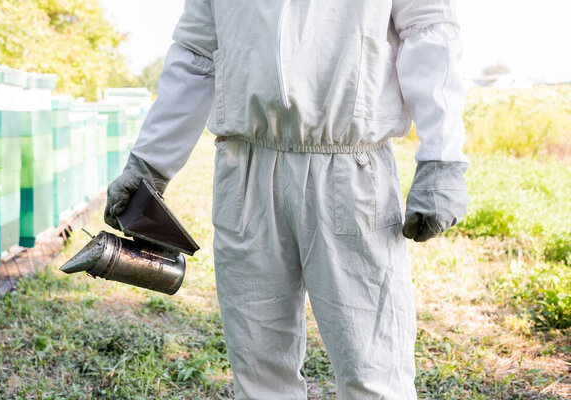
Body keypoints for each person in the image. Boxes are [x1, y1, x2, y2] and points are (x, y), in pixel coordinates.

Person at [104, 0, 469, 398]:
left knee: (373, 369)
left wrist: (442, 159)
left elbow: (429, 29)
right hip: (244, 171)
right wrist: (149, 163)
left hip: (350, 170)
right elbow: (196, 53)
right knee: (259, 372)